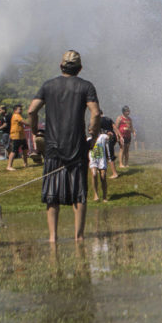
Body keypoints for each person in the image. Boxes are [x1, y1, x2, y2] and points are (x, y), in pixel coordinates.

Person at [28, 50, 101, 243]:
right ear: (80, 68)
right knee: (79, 193)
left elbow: (31, 109)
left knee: (52, 195)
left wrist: (35, 130)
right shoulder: (86, 86)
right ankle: (79, 236)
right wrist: (92, 136)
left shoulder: (48, 86)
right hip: (77, 146)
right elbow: (95, 113)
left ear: (61, 66)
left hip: (52, 147)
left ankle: (53, 238)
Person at [6, 104, 30, 170]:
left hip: (22, 136)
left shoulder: (19, 115)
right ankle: (9, 166)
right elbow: (24, 122)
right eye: (19, 109)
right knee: (14, 151)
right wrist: (31, 124)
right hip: (16, 136)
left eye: (21, 109)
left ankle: (25, 164)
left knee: (25, 150)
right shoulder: (16, 115)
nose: (21, 110)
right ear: (15, 110)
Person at [88, 129, 110, 202]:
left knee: (103, 177)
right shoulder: (88, 139)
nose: (91, 131)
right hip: (93, 159)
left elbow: (108, 137)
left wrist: (109, 134)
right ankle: (95, 194)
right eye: (90, 130)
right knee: (94, 174)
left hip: (101, 159)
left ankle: (104, 196)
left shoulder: (102, 137)